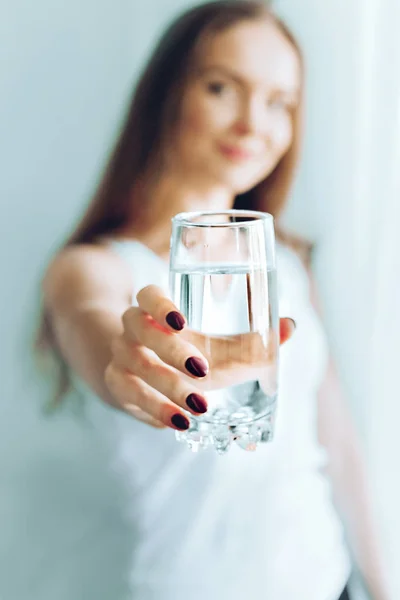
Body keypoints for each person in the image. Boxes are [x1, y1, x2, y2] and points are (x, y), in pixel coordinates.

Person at [26, 1, 388, 599]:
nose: (253, 123)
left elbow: (337, 445)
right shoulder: (90, 268)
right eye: (223, 87)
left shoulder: (290, 266)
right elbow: (99, 329)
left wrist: (382, 583)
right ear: (168, 95)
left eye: (280, 103)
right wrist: (131, 358)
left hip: (329, 583)